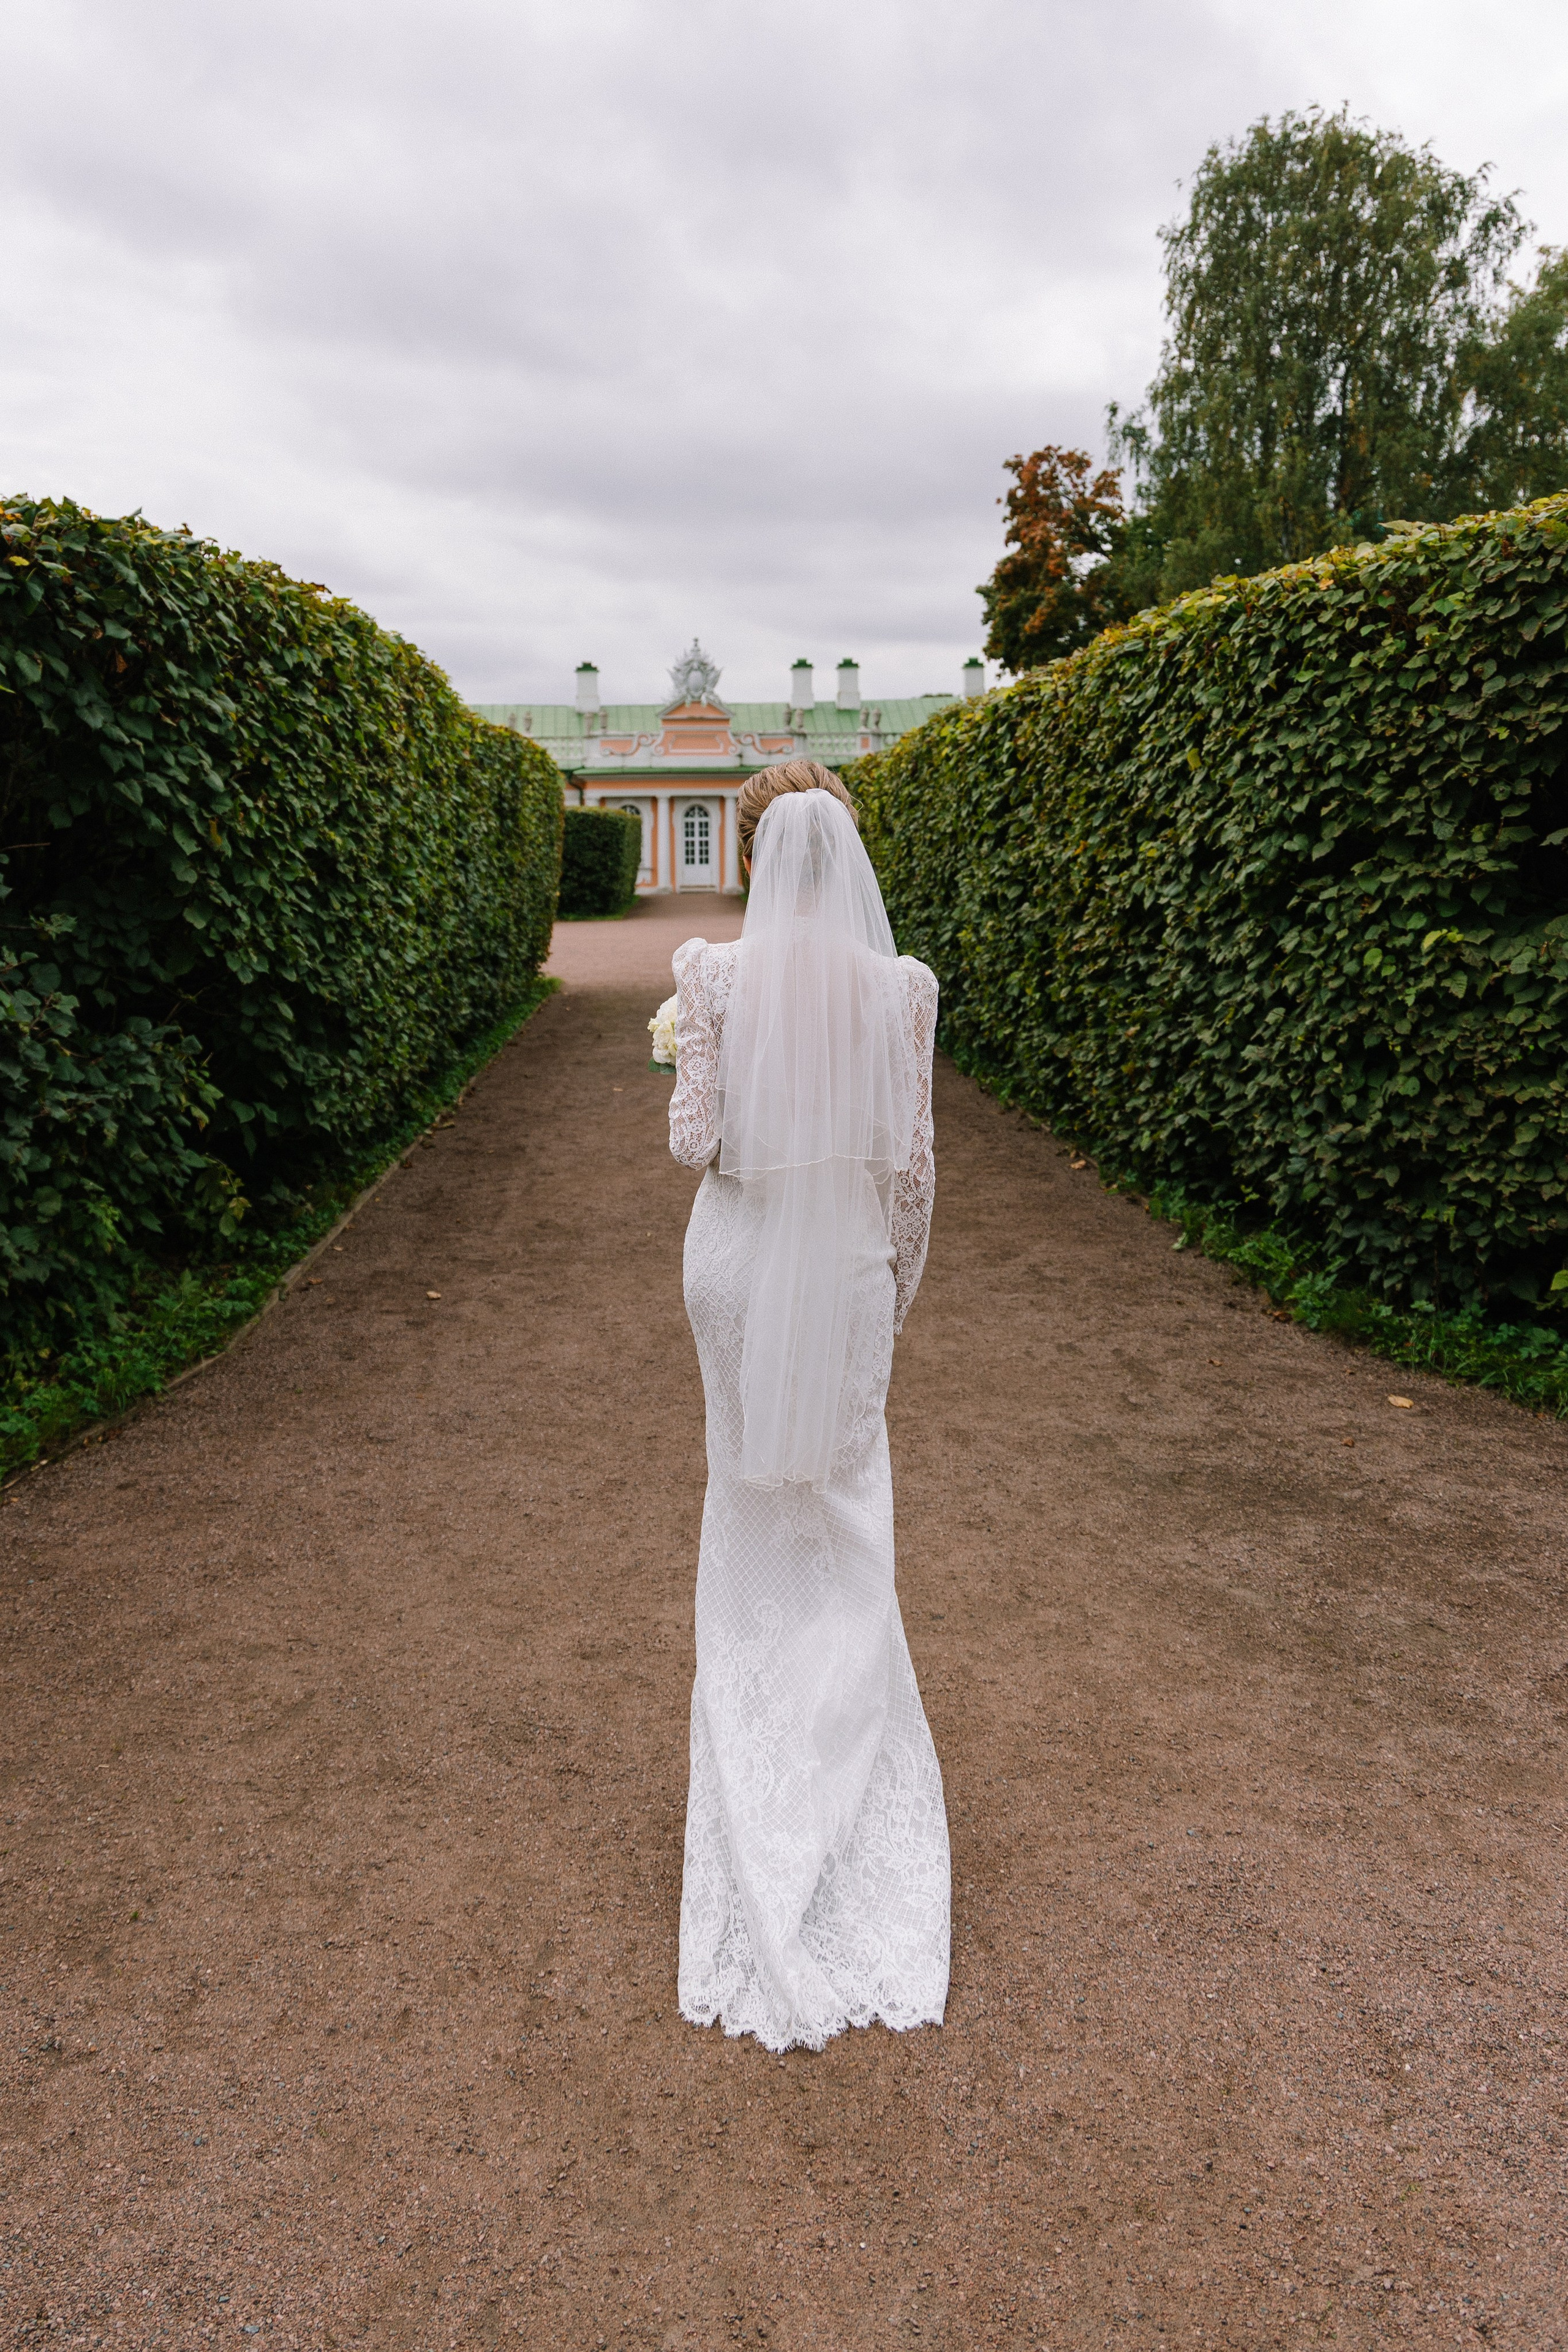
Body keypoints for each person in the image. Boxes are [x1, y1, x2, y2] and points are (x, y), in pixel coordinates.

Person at [667, 760, 950, 2052]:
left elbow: (695, 1145)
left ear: (758, 853)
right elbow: (911, 1175)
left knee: (746, 1499)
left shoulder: (710, 973)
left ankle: (751, 1762)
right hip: (842, 1276)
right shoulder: (902, 989)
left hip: (732, 1271)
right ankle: (842, 1781)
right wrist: (889, 1304)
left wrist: (686, 1048)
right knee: (844, 1510)